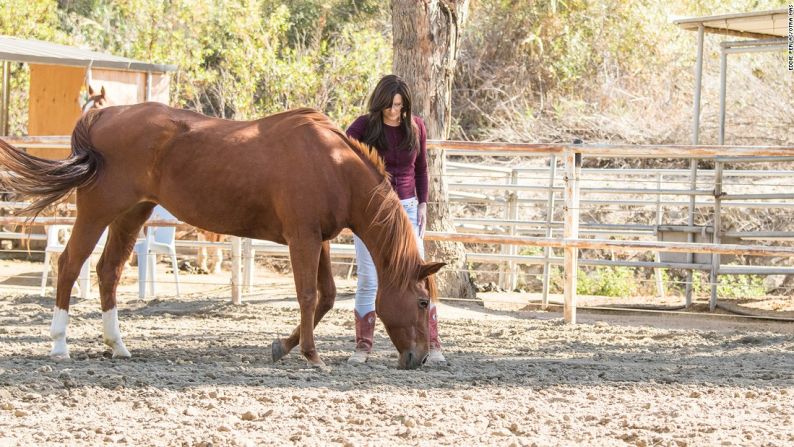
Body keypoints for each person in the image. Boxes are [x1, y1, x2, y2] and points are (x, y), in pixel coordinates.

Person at [345, 74, 446, 365]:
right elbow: (342, 157)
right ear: (380, 103)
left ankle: (434, 342)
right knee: (368, 277)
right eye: (389, 105)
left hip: (408, 209)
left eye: (399, 105)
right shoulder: (364, 126)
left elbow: (422, 169)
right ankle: (363, 346)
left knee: (420, 276)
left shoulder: (416, 127)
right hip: (372, 214)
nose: (394, 111)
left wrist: (424, 204)